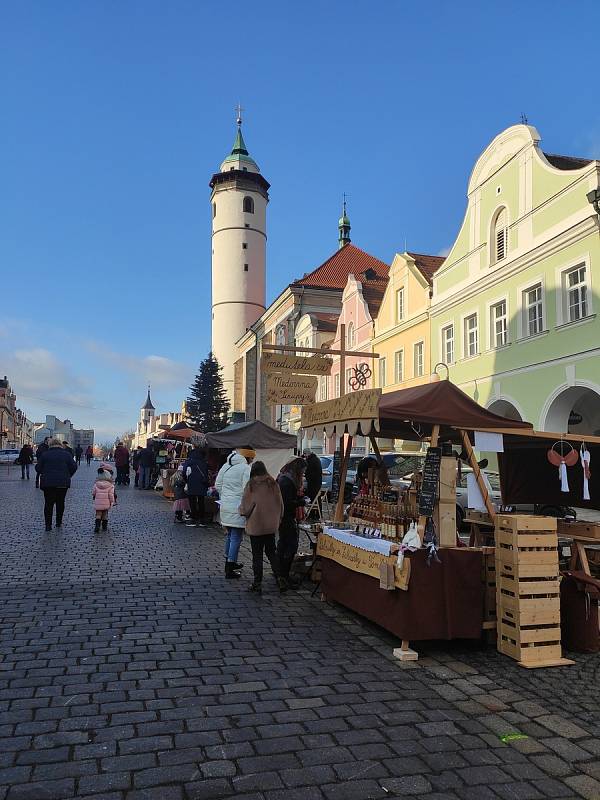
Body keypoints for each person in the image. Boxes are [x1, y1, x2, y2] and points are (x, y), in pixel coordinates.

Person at [239, 461, 287, 594]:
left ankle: (257, 583)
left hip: (257, 525)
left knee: (257, 555)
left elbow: (246, 508)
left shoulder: (252, 485)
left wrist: (241, 511)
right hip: (271, 525)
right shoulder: (273, 483)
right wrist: (279, 517)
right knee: (272, 552)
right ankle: (280, 578)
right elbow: (281, 504)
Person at [215, 448, 254, 579]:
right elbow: (246, 489)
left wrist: (225, 496)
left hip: (225, 505)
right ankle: (230, 567)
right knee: (236, 536)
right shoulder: (245, 468)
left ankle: (230, 561)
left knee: (231, 535)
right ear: (248, 457)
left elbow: (218, 485)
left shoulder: (226, 466)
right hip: (237, 507)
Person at [35, 438, 77, 531]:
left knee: (48, 503)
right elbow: (74, 466)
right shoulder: (67, 455)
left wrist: (44, 473)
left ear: (50, 445)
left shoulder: (45, 454)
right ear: (60, 445)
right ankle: (58, 522)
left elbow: (38, 468)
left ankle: (48, 525)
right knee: (60, 502)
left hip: (48, 483)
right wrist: (68, 475)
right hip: (63, 482)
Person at [277, 458, 306, 586]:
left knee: (283, 544)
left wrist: (299, 498)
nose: (304, 474)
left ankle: (280, 573)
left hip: (284, 517)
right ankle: (283, 574)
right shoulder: (287, 481)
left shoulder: (285, 478)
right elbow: (287, 503)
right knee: (290, 545)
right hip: (286, 518)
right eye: (303, 471)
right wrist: (301, 502)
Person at [181, 447, 209, 527]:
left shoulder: (189, 461)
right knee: (201, 502)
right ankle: (202, 520)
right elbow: (206, 473)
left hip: (191, 483)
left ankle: (193, 519)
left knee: (192, 502)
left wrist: (186, 481)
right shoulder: (203, 462)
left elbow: (184, 472)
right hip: (202, 484)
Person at [92, 464, 116, 532]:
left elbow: (93, 492)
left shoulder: (96, 484)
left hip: (98, 503)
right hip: (106, 503)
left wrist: (94, 496)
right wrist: (112, 502)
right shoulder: (110, 485)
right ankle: (104, 527)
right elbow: (111, 495)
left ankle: (97, 526)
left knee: (98, 514)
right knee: (105, 515)